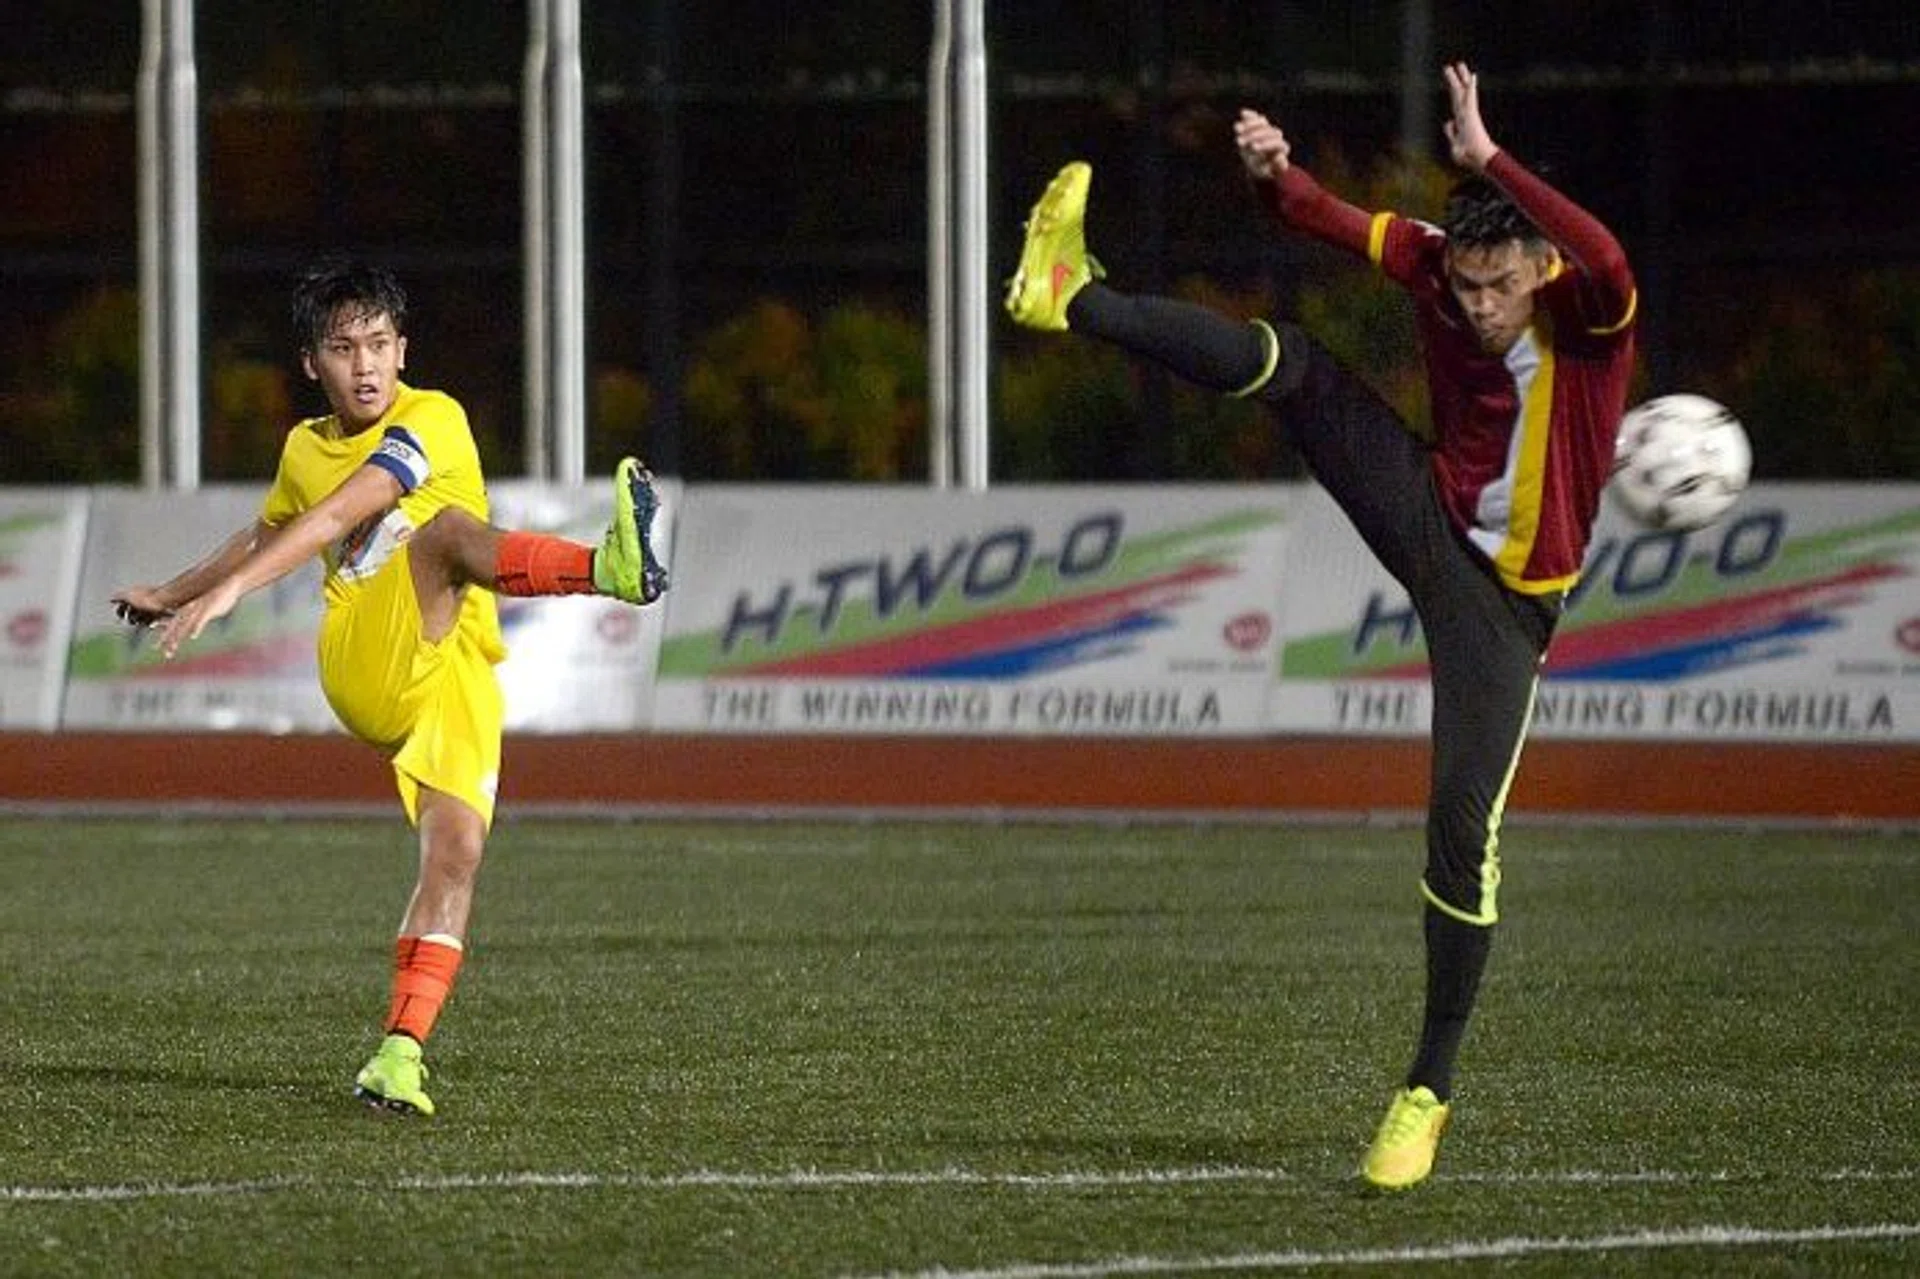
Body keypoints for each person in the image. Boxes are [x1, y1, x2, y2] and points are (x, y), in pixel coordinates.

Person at [1005, 62, 1635, 1188]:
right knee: (1293, 365)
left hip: (1507, 609)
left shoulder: (1586, 318)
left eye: (1500, 284)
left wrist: (1490, 158)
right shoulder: (1435, 263)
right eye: (1468, 284)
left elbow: (1613, 258)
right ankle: (1073, 294)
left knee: (1461, 836)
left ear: (1541, 266)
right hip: (1427, 513)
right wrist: (1273, 171)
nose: (1478, 304)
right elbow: (1323, 217)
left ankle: (1425, 1091)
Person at [112, 258, 670, 1117]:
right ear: (312, 363)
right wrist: (182, 590)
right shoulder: (305, 448)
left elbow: (338, 513)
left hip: (457, 666)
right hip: (365, 656)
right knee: (442, 534)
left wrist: (222, 590)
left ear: (403, 349)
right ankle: (610, 568)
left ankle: (399, 1054)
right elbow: (286, 526)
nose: (365, 365)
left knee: (457, 852)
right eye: (344, 349)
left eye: (378, 344)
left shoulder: (432, 416)